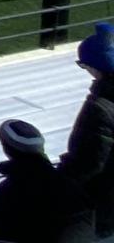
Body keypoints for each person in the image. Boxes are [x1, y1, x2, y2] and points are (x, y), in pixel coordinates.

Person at [61, 22, 114, 239]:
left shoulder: (99, 108)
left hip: (102, 212)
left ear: (94, 66)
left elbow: (89, 163)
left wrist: (56, 183)